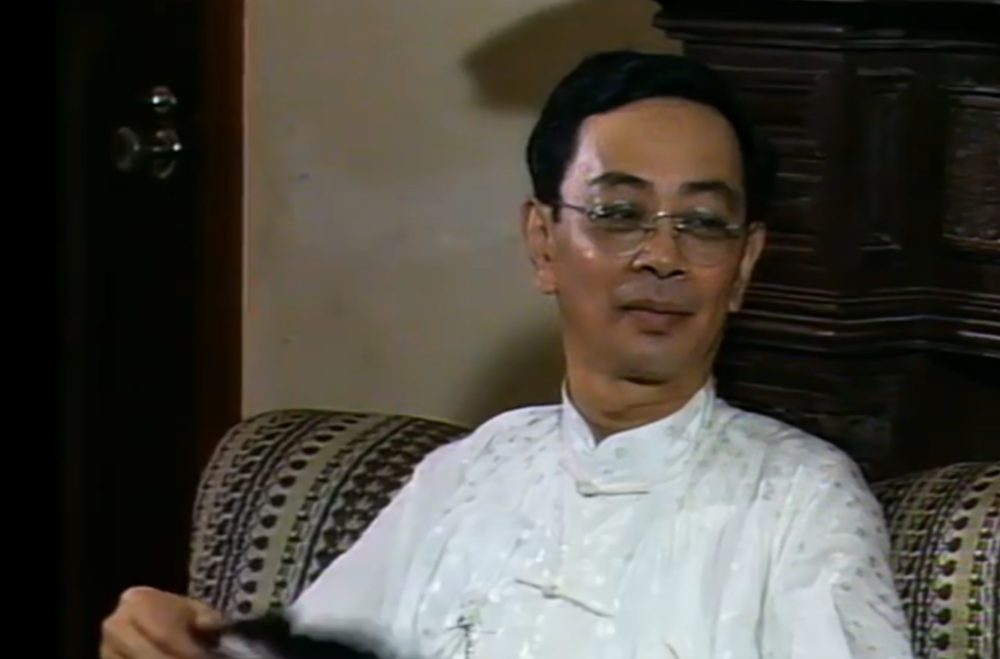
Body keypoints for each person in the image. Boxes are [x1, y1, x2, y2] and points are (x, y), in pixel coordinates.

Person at [100, 51, 915, 659]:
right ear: (542, 241)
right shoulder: (467, 473)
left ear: (742, 266)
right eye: (619, 213)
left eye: (703, 223)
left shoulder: (798, 501)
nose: (663, 256)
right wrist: (181, 640)